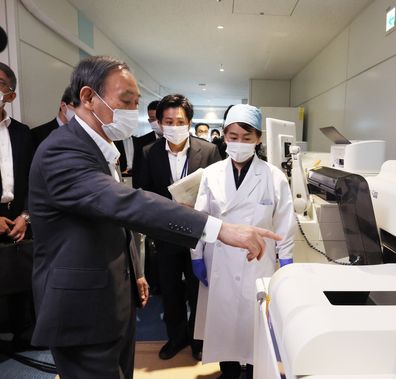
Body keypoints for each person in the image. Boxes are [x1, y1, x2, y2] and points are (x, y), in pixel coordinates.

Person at [28, 55, 280, 379]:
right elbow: (130, 204)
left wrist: (136, 274)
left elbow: (116, 221)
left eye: (136, 102)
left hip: (112, 298)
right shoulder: (62, 151)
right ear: (89, 97)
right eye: (126, 101)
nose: (133, 111)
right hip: (83, 309)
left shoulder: (101, 149)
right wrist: (220, 229)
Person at [191, 104, 295, 379]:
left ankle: (253, 368)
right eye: (233, 137)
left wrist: (286, 259)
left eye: (246, 138)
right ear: (224, 136)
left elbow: (285, 221)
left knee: (253, 318)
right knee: (224, 318)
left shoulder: (273, 176)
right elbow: (200, 217)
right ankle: (227, 369)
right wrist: (197, 256)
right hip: (220, 258)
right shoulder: (212, 173)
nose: (238, 144)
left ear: (258, 139)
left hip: (258, 261)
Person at [139, 94, 221, 362]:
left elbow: (219, 192)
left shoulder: (208, 151)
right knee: (171, 290)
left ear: (189, 122)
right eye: (168, 121)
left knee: (199, 290)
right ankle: (176, 338)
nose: (174, 126)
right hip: (166, 234)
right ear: (160, 123)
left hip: (199, 234)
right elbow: (144, 193)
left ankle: (198, 339)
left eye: (180, 121)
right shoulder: (149, 153)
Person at [0, 62, 35, 351]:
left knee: (21, 278)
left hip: (18, 216)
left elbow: (33, 180)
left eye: (0, 83)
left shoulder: (23, 133)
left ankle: (22, 336)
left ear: (10, 95)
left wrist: (25, 215)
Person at [132, 100, 161, 189]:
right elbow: (137, 170)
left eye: (158, 118)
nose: (156, 122)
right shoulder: (141, 142)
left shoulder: (175, 139)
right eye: (152, 119)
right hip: (150, 192)